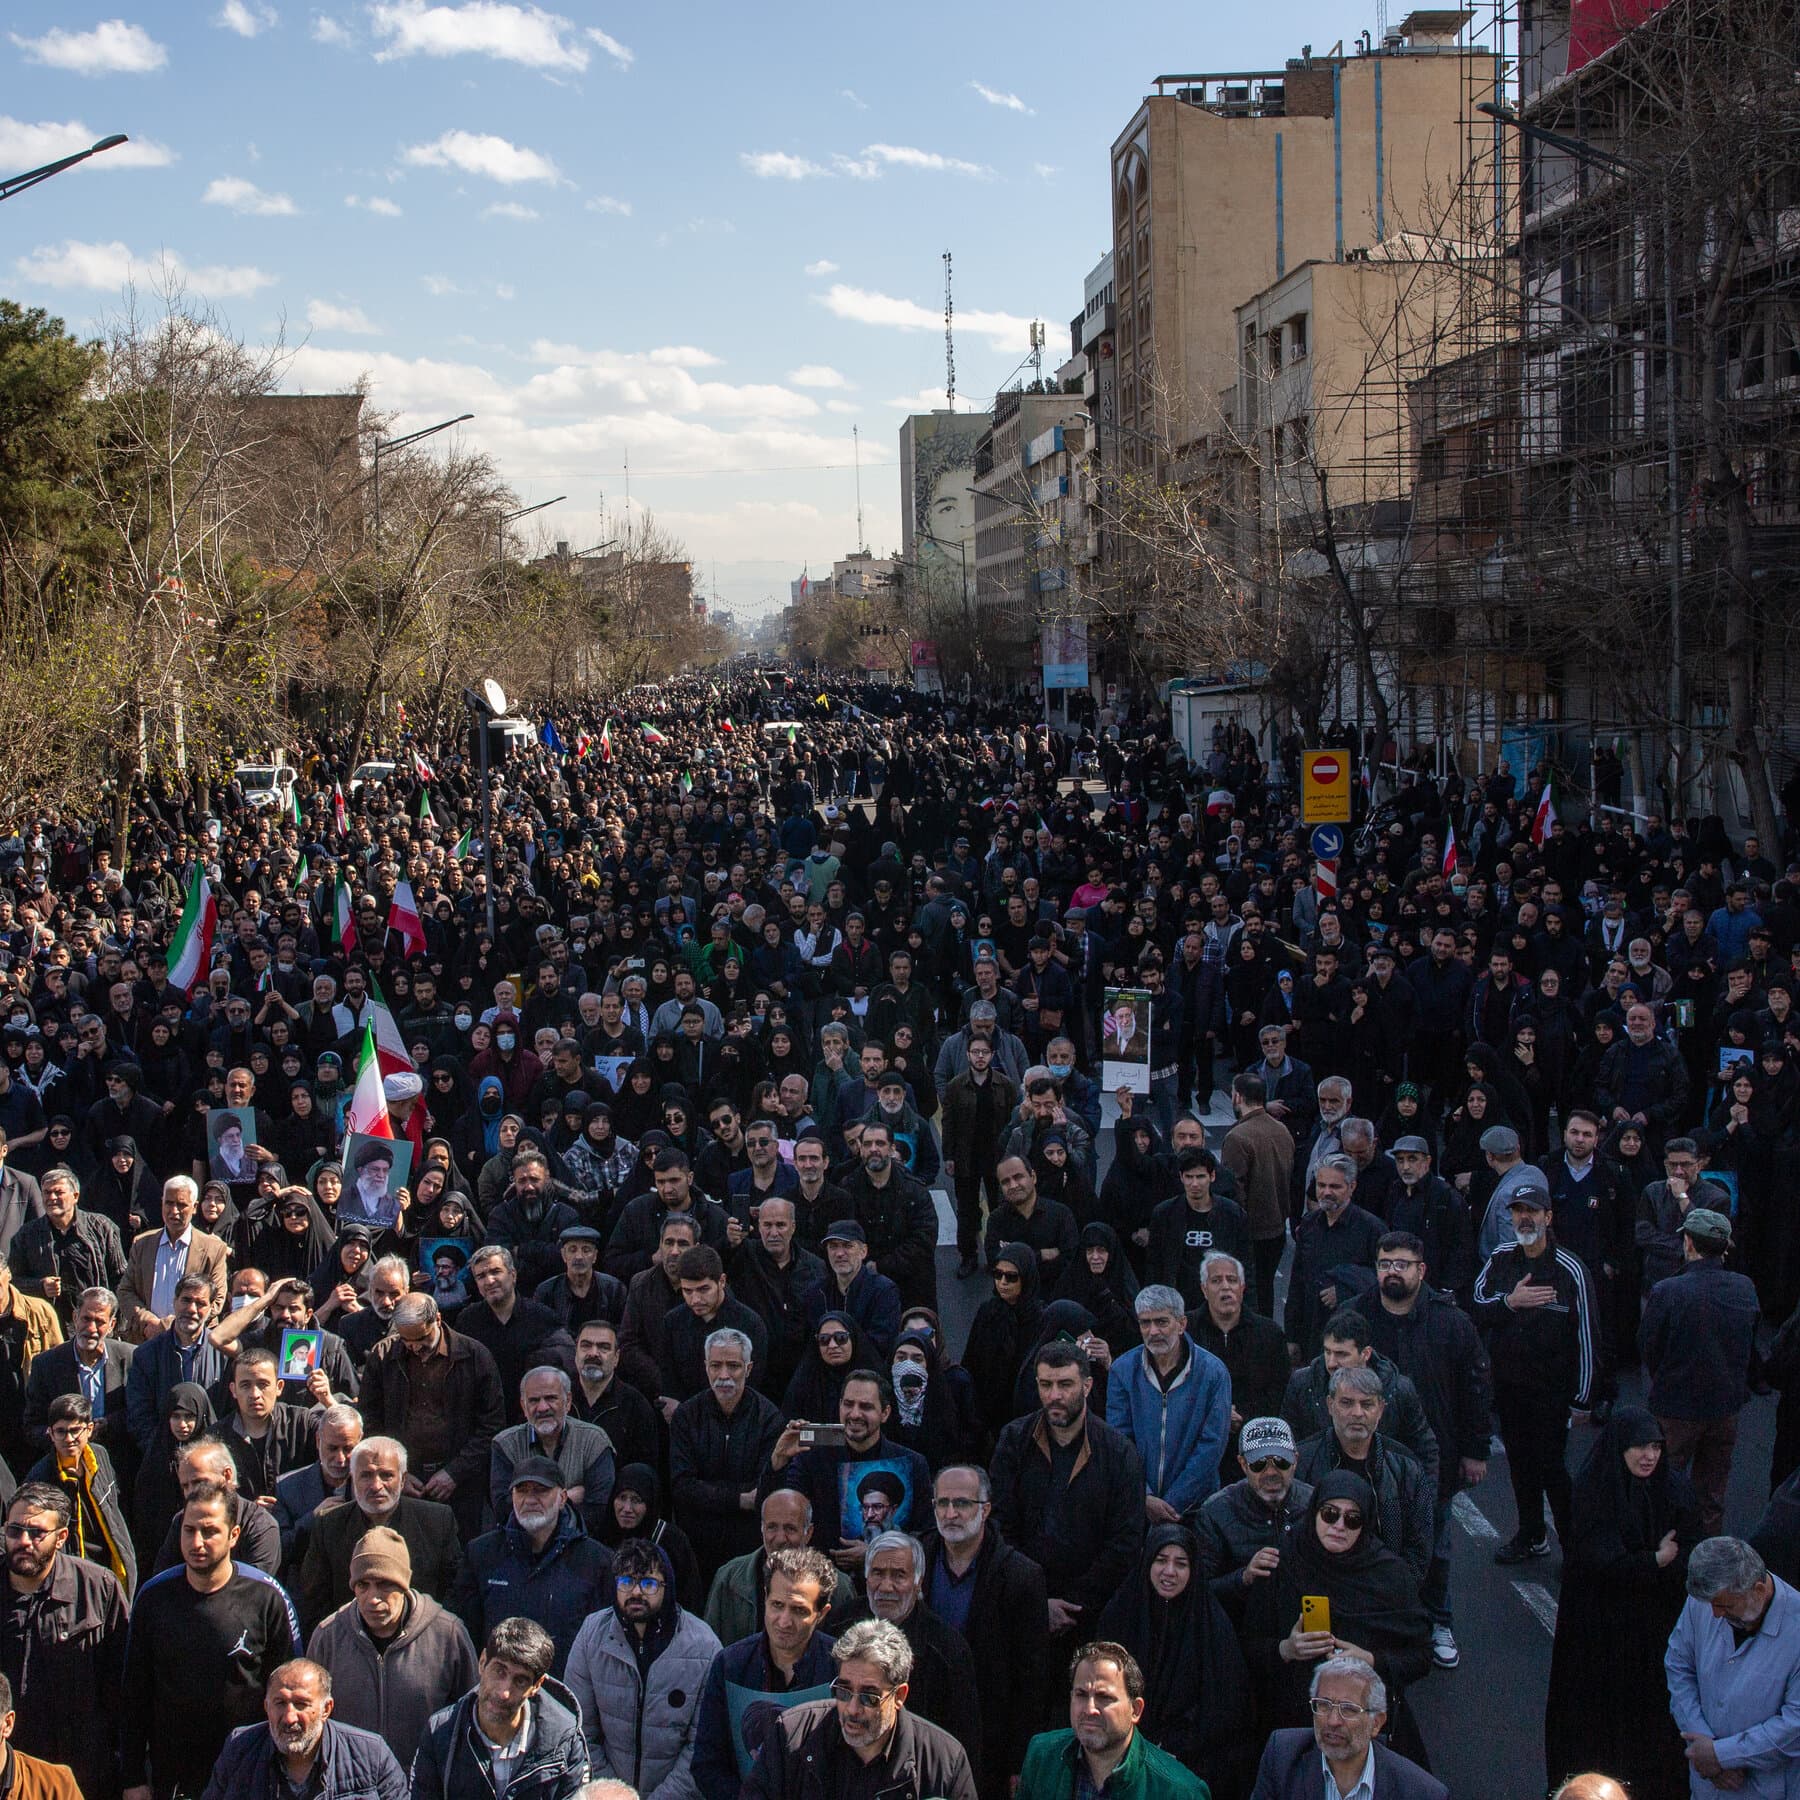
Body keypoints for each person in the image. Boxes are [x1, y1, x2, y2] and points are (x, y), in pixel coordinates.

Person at [1544, 1411, 1700, 1800]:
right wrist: (1655, 1561)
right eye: (1638, 1446)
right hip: (1600, 1636)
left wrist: (1659, 1564)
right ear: (1619, 1448)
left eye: (1655, 1446)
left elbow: (1691, 1549)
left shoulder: (1674, 1491)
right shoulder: (1595, 1491)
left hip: (1654, 1634)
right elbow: (1598, 1561)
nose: (1648, 1456)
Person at [119, 1478, 303, 1800]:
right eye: (189, 1530)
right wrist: (133, 1777)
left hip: (248, 1774)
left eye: (209, 1531)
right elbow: (134, 1693)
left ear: (233, 1536)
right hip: (173, 1774)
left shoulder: (267, 1598)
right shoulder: (153, 1598)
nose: (197, 1542)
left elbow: (288, 1691)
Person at [1362, 1232, 1490, 1667]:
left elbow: (1475, 1387)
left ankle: (1438, 1621)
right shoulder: (1357, 1316)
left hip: (1433, 1461)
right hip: (1368, 1458)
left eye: (1401, 1264)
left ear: (1422, 1271)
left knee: (1433, 1548)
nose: (1391, 1271)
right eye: (1384, 1263)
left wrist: (1476, 1450)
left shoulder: (1451, 1323)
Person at [990, 1339, 1145, 1659]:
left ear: (1087, 1386)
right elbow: (1000, 1524)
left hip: (1095, 1615)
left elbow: (1125, 1541)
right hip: (1022, 1604)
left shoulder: (1117, 1452)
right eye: (1045, 1385)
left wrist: (1074, 1605)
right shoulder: (1014, 1441)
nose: (1054, 1395)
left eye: (1065, 1384)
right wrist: (1037, 1600)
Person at [1252, 1471, 1433, 1743]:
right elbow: (1247, 1646)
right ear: (1314, 1512)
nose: (1339, 1526)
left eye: (1353, 1519)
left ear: (1366, 1524)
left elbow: (1421, 1656)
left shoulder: (1390, 1574)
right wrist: (1286, 1649)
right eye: (1329, 1513)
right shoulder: (1283, 1561)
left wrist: (1371, 1660)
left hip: (1364, 1723)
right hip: (1292, 1720)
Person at [1473, 1188, 1600, 1560]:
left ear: (1548, 1217)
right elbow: (1477, 1305)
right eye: (1517, 1212)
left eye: (1532, 1211)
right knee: (1519, 1464)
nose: (1524, 1218)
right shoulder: (1499, 1259)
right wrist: (1510, 1303)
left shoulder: (1571, 1269)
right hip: (1510, 1386)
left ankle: (1574, 1546)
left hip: (1552, 1390)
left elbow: (1588, 1335)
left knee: (1552, 1469)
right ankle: (1532, 1535)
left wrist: (1583, 1399)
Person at [742, 1617, 978, 1800]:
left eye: (868, 1697)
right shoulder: (791, 1735)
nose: (852, 1709)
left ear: (900, 1696)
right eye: (843, 1692)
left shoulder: (945, 1761)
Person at [920, 1463, 1048, 1800]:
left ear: (986, 1509)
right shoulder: (915, 1559)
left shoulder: (1020, 1577)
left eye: (962, 1504)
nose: (950, 1513)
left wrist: (1020, 1762)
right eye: (942, 1503)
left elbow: (1031, 1681)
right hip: (922, 1730)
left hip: (989, 1741)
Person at [1095, 1524, 1252, 1797]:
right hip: (1121, 1756)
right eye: (1160, 1560)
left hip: (1189, 1764)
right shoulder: (1120, 1615)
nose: (1169, 1572)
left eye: (1181, 1564)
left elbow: (1225, 1708)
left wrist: (1173, 1748)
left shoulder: (1212, 1626)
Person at [305, 1525, 479, 1771]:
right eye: (363, 1585)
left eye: (384, 1584)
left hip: (425, 1785)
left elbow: (471, 1719)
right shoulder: (328, 1637)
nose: (373, 1598)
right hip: (352, 1786)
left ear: (404, 1585)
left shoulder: (448, 1634)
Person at [0, 1481, 128, 1800]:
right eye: (14, 1530)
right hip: (13, 1778)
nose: (23, 1542)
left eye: (36, 1533)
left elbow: (127, 1689)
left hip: (87, 1773)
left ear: (61, 1538)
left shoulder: (98, 1589)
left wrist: (132, 1774)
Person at [564, 1537, 722, 1795]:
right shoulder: (591, 1635)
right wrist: (614, 1794)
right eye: (626, 1582)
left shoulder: (704, 1646)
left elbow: (702, 1745)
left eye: (648, 1583)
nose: (636, 1592)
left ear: (666, 1586)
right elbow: (579, 1731)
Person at [1639, 1207, 1761, 1538]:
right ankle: (1708, 1559)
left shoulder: (1668, 1291)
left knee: (1664, 1485)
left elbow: (1649, 1346)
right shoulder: (1744, 1288)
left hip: (1676, 1407)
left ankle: (1664, 1556)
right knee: (1712, 1493)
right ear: (1724, 1247)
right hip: (1725, 1407)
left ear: (1689, 1243)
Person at [691, 1544, 840, 1795]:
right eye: (777, 1605)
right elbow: (707, 1763)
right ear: (765, 1598)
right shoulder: (730, 1665)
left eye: (799, 1610)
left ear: (821, 1613)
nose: (784, 1622)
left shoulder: (841, 1668)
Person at [358, 1293, 507, 1539]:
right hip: (401, 1482)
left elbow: (492, 1425)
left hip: (462, 1485)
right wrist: (395, 1473)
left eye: (422, 1339)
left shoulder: (474, 1356)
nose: (415, 1348)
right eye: (407, 1341)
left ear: (438, 1319)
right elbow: (371, 1423)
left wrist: (455, 1472)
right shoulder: (384, 1356)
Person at [452, 1455, 615, 1675]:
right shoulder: (481, 1554)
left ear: (562, 1497)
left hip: (567, 1694)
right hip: (501, 1693)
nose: (530, 1499)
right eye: (522, 1490)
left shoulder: (597, 1561)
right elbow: (465, 1633)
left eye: (540, 1490)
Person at [1665, 1537, 1800, 1800]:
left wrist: (1721, 1755)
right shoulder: (1705, 1601)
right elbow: (1679, 1665)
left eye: (1726, 1606)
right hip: (1707, 1787)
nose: (1715, 1614)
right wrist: (1702, 1743)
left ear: (1758, 1590)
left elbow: (1795, 1723)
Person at [411, 1615, 589, 1800]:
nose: (504, 1692)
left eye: (520, 1681)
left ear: (537, 1685)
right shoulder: (441, 1733)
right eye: (499, 1671)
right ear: (482, 1663)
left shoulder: (565, 1740)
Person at [297, 1436, 464, 1633]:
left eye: (386, 1475)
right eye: (366, 1475)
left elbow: (455, 1594)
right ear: (352, 1478)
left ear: (402, 1480)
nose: (376, 1486)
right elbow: (313, 1602)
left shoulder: (436, 1521)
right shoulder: (329, 1525)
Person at [764, 1369, 932, 1562]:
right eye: (848, 1404)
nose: (855, 1414)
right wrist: (778, 1460)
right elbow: (778, 1511)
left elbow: (926, 1535)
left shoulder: (913, 1463)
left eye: (866, 1407)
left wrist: (876, 1552)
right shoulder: (811, 1458)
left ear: (885, 1413)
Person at [1014, 1639, 1210, 1800]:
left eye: (1104, 1697)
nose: (1090, 1709)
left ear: (1135, 1709)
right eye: (1081, 1694)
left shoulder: (1180, 1792)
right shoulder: (1043, 1754)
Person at [198, 1657, 408, 1800]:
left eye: (301, 1704)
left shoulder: (371, 1755)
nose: (289, 1718)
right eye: (280, 1703)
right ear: (266, 1707)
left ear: (326, 1708)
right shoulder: (240, 1750)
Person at [1106, 1284, 1233, 1518]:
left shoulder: (1213, 1372)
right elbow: (1119, 1441)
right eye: (1145, 1323)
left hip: (1198, 1507)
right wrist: (1143, 1496)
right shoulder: (1122, 1370)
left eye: (1162, 1322)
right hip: (1138, 1505)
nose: (1153, 1331)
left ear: (1181, 1324)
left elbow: (1212, 1446)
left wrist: (1172, 1504)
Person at [668, 1327, 785, 1580]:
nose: (724, 1375)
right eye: (715, 1366)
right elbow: (682, 1486)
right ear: (705, 1367)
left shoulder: (768, 1418)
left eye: (733, 1366)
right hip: (695, 1544)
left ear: (749, 1369)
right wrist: (737, 1499)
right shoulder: (687, 1416)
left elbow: (763, 1491)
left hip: (748, 1545)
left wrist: (711, 1493)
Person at [1249, 1653, 1447, 1800]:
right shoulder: (1282, 1755)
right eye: (1324, 1705)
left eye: (1349, 1709)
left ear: (1376, 1723)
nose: (1333, 1720)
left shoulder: (1421, 1792)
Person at [702, 1487, 857, 1649]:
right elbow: (711, 1647)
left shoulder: (838, 1587)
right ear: (762, 1528)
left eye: (790, 1528)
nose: (780, 1538)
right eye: (772, 1527)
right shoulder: (728, 1578)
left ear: (808, 1532)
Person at [1195, 1416, 1314, 1602]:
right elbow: (1198, 1591)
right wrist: (1244, 1577)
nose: (1271, 1473)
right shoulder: (1215, 1512)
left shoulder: (1315, 1504)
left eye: (1281, 1462)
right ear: (1243, 1464)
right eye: (1259, 1464)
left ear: (1295, 1460)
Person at [490, 1366, 616, 1537]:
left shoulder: (594, 1441)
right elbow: (504, 1511)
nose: (542, 1407)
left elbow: (597, 1513)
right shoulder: (505, 1444)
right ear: (523, 1406)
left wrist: (535, 1508)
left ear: (568, 1401)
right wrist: (565, 1497)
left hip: (579, 1546)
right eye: (534, 1400)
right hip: (521, 1547)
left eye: (551, 1398)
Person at [1283, 1156, 1383, 1361]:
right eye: (1321, 1185)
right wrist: (1291, 1335)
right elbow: (1297, 1281)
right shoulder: (1309, 1224)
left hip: (1352, 1338)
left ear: (1352, 1186)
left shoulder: (1371, 1228)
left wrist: (1346, 1290)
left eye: (1335, 1186)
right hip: (1310, 1332)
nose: (1326, 1192)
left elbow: (1383, 1278)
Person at [115, 1177, 229, 1344]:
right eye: (169, 1203)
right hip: (146, 1339)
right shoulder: (142, 1244)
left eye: (181, 1205)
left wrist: (169, 1325)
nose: (174, 1211)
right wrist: (148, 1321)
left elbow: (217, 1299)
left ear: (195, 1207)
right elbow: (125, 1291)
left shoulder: (213, 1248)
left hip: (192, 1342)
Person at [1221, 1072, 1295, 1319]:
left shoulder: (1237, 1137)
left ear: (1237, 1096)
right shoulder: (1282, 1130)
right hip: (1276, 1226)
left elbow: (1233, 1190)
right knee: (1265, 1290)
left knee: (1248, 1294)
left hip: (1250, 1230)